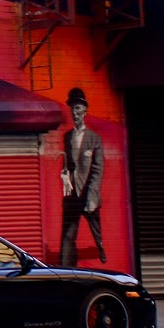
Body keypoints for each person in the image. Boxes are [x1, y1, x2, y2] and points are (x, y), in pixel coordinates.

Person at [59, 86, 105, 264]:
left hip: (88, 192)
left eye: (77, 108)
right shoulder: (67, 136)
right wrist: (65, 175)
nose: (74, 113)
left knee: (95, 229)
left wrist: (92, 196)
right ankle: (65, 268)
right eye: (72, 109)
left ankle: (100, 247)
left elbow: (97, 169)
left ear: (85, 110)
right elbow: (69, 164)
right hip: (72, 194)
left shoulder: (94, 139)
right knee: (68, 235)